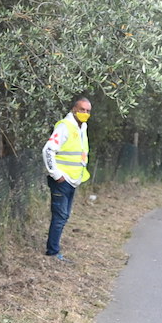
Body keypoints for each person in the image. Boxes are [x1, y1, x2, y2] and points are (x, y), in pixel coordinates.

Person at [42, 95, 92, 260]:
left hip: (72, 179)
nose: (85, 113)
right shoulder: (65, 126)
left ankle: (54, 249)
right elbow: (48, 150)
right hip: (62, 180)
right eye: (82, 110)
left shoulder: (82, 127)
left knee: (64, 216)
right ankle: (53, 252)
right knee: (60, 215)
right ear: (74, 110)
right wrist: (56, 174)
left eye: (88, 111)